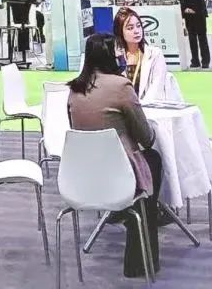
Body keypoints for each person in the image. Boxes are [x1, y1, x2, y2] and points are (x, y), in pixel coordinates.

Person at [67, 33, 162, 278]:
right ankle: (139, 257)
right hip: (120, 175)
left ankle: (124, 213)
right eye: (118, 51)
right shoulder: (121, 87)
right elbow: (146, 137)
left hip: (80, 177)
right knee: (153, 159)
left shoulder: (74, 90)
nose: (122, 55)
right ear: (110, 55)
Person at [112, 6, 183, 104]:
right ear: (120, 32)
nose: (136, 31)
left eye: (138, 26)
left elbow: (157, 88)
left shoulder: (155, 54)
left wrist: (142, 108)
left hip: (149, 108)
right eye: (130, 28)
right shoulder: (115, 56)